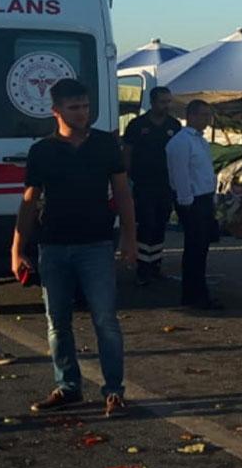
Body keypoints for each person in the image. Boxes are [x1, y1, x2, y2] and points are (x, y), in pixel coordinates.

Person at [13, 79, 136, 417]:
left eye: (85, 106)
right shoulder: (42, 151)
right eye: (74, 108)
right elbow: (29, 201)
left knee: (105, 320)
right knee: (57, 322)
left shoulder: (105, 145)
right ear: (56, 112)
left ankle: (114, 390)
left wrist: (129, 237)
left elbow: (122, 193)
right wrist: (17, 246)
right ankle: (68, 387)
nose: (82, 114)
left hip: (96, 244)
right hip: (53, 245)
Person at [121, 86, 181, 286]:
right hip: (143, 183)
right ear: (153, 102)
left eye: (168, 101)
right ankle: (142, 269)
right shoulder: (137, 125)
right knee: (146, 224)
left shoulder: (174, 125)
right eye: (163, 102)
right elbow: (127, 151)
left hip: (166, 184)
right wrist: (127, 177)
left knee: (160, 225)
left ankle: (155, 266)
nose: (166, 106)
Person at [166, 99, 219, 309]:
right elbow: (180, 173)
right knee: (195, 249)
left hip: (204, 197)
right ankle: (193, 295)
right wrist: (185, 200)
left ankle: (199, 292)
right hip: (192, 200)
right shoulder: (181, 142)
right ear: (192, 116)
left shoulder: (200, 141)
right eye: (203, 115)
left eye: (208, 115)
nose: (207, 119)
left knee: (201, 248)